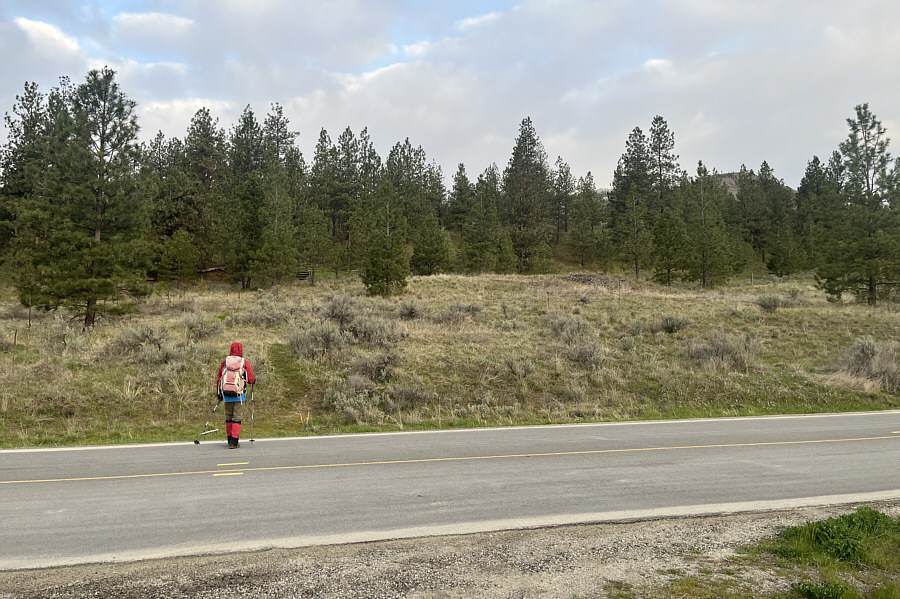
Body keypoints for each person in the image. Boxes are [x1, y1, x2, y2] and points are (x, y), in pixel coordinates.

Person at [215, 342, 256, 448]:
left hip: (226, 394)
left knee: (228, 416)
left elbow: (219, 378)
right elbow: (251, 379)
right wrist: (252, 381)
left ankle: (229, 440)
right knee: (236, 417)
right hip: (239, 394)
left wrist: (219, 393)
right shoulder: (244, 362)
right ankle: (234, 442)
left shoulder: (225, 363)